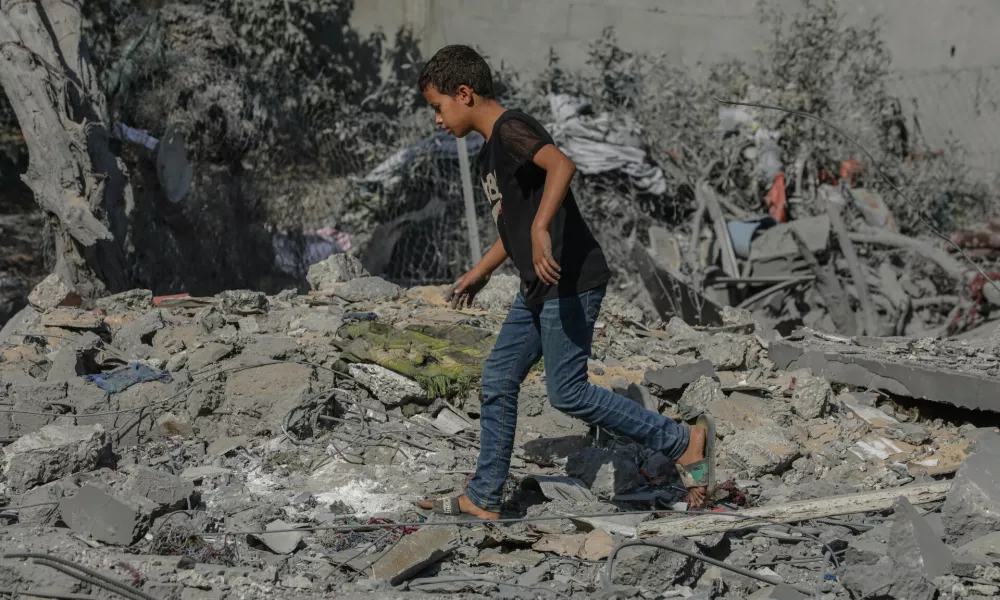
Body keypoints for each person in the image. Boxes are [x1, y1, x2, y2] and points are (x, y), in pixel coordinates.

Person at [416, 45, 714, 520]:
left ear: (464, 94)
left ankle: (683, 441)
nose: (437, 119)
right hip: (538, 286)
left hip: (571, 281)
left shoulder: (512, 128)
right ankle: (485, 496)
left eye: (438, 107)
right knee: (497, 379)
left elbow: (562, 166)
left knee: (568, 391)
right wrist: (484, 268)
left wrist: (540, 229)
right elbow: (513, 227)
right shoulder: (488, 153)